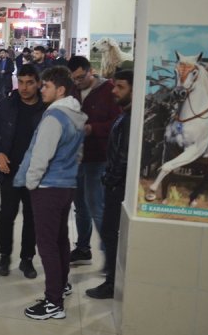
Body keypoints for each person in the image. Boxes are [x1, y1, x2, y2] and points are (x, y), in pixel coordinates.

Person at [14, 66, 86, 320]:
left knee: (46, 244)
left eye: (46, 86)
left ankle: (53, 302)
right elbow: (78, 153)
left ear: (61, 90)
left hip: (48, 187)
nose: (41, 89)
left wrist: (31, 183)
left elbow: (40, 156)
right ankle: (61, 284)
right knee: (59, 239)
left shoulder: (54, 117)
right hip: (67, 185)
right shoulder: (75, 115)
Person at [0, 65, 46, 278]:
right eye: (21, 82)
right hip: (9, 170)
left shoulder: (47, 108)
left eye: (29, 83)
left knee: (32, 216)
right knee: (7, 214)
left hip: (35, 173)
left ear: (38, 83)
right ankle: (4, 255)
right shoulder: (6, 105)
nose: (24, 87)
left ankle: (27, 258)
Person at [66, 55, 122, 266]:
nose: (77, 82)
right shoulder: (73, 91)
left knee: (96, 206)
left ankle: (110, 259)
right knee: (80, 206)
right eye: (74, 78)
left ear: (91, 71)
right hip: (77, 157)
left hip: (99, 158)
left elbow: (118, 122)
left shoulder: (109, 91)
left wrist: (93, 129)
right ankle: (83, 248)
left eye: (81, 77)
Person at [86, 69, 133, 300]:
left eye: (121, 87)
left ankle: (112, 282)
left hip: (118, 186)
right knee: (109, 231)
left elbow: (123, 157)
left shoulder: (130, 120)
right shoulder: (125, 116)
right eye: (115, 85)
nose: (114, 91)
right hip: (115, 183)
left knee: (109, 231)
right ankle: (112, 279)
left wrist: (111, 180)